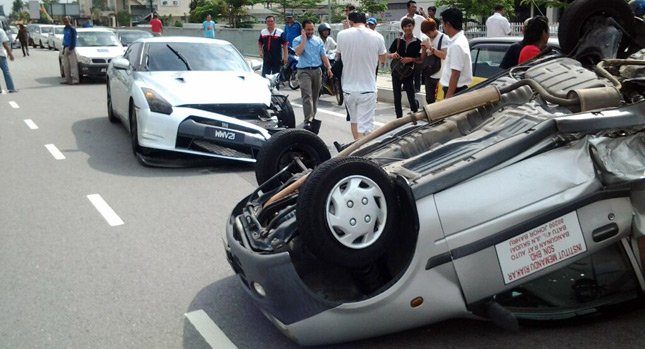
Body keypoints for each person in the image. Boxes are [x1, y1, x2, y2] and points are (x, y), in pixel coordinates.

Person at [336, 10, 387, 139]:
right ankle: (361, 152)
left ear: (350, 21)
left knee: (354, 121)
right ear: (366, 22)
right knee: (365, 127)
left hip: (348, 88)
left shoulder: (341, 35)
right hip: (367, 88)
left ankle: (356, 147)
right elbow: (383, 60)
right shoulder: (377, 36)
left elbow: (338, 54)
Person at [293, 20, 334, 129]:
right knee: (307, 95)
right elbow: (298, 52)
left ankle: (312, 117)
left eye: (312, 29)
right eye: (308, 30)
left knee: (315, 96)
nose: (310, 31)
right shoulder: (297, 40)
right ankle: (307, 120)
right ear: (303, 30)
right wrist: (304, 39)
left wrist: (329, 67)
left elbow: (323, 55)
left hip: (317, 71)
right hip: (304, 71)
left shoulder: (318, 41)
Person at [387, 18, 421, 119]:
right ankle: (399, 119)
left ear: (413, 26)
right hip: (396, 72)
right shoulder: (397, 41)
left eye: (409, 26)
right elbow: (387, 55)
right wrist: (393, 55)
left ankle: (415, 116)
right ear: (402, 28)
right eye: (405, 26)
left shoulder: (418, 42)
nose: (407, 28)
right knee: (397, 97)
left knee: (411, 95)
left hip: (409, 73)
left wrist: (411, 59)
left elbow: (421, 59)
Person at [439, 7, 472, 98]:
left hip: (455, 91)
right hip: (456, 90)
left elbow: (455, 74)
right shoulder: (458, 40)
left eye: (443, 23)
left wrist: (448, 97)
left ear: (448, 24)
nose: (442, 25)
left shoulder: (457, 44)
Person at [420, 19, 447, 105]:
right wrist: (424, 49)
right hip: (429, 74)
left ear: (435, 28)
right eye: (425, 33)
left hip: (440, 75)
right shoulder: (426, 39)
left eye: (429, 32)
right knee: (429, 99)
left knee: (440, 102)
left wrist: (431, 48)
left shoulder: (443, 38)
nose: (428, 35)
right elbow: (422, 58)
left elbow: (444, 55)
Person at [401, 1, 425, 92]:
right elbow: (401, 32)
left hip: (417, 45)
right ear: (408, 8)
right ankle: (405, 85)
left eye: (415, 7)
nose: (415, 8)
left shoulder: (420, 18)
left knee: (417, 67)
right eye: (413, 7)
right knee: (406, 66)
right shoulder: (403, 19)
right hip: (407, 45)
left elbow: (428, 24)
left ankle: (417, 87)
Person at [61, 16, 79, 85]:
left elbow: (74, 40)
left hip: (71, 48)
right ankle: (67, 79)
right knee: (66, 65)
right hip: (65, 47)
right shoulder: (65, 29)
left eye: (66, 20)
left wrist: (71, 49)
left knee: (73, 65)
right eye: (64, 20)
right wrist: (64, 49)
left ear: (69, 20)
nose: (65, 21)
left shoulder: (72, 29)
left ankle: (75, 79)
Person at [0, 27, 17, 93]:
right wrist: (10, 54)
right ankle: (11, 88)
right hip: (0, 54)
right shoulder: (1, 31)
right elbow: (5, 44)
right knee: (6, 72)